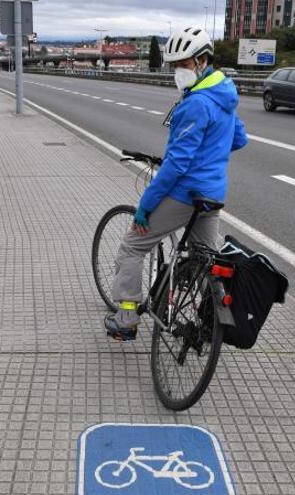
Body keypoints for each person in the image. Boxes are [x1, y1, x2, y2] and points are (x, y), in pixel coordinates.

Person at [104, 26, 248, 341]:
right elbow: (239, 139)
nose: (177, 71)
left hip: (185, 194)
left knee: (132, 246)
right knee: (206, 261)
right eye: (174, 65)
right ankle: (210, 321)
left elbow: (177, 165)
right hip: (213, 194)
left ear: (201, 60)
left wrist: (145, 206)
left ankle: (126, 317)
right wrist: (210, 152)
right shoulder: (224, 97)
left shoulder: (196, 103)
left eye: (182, 64)